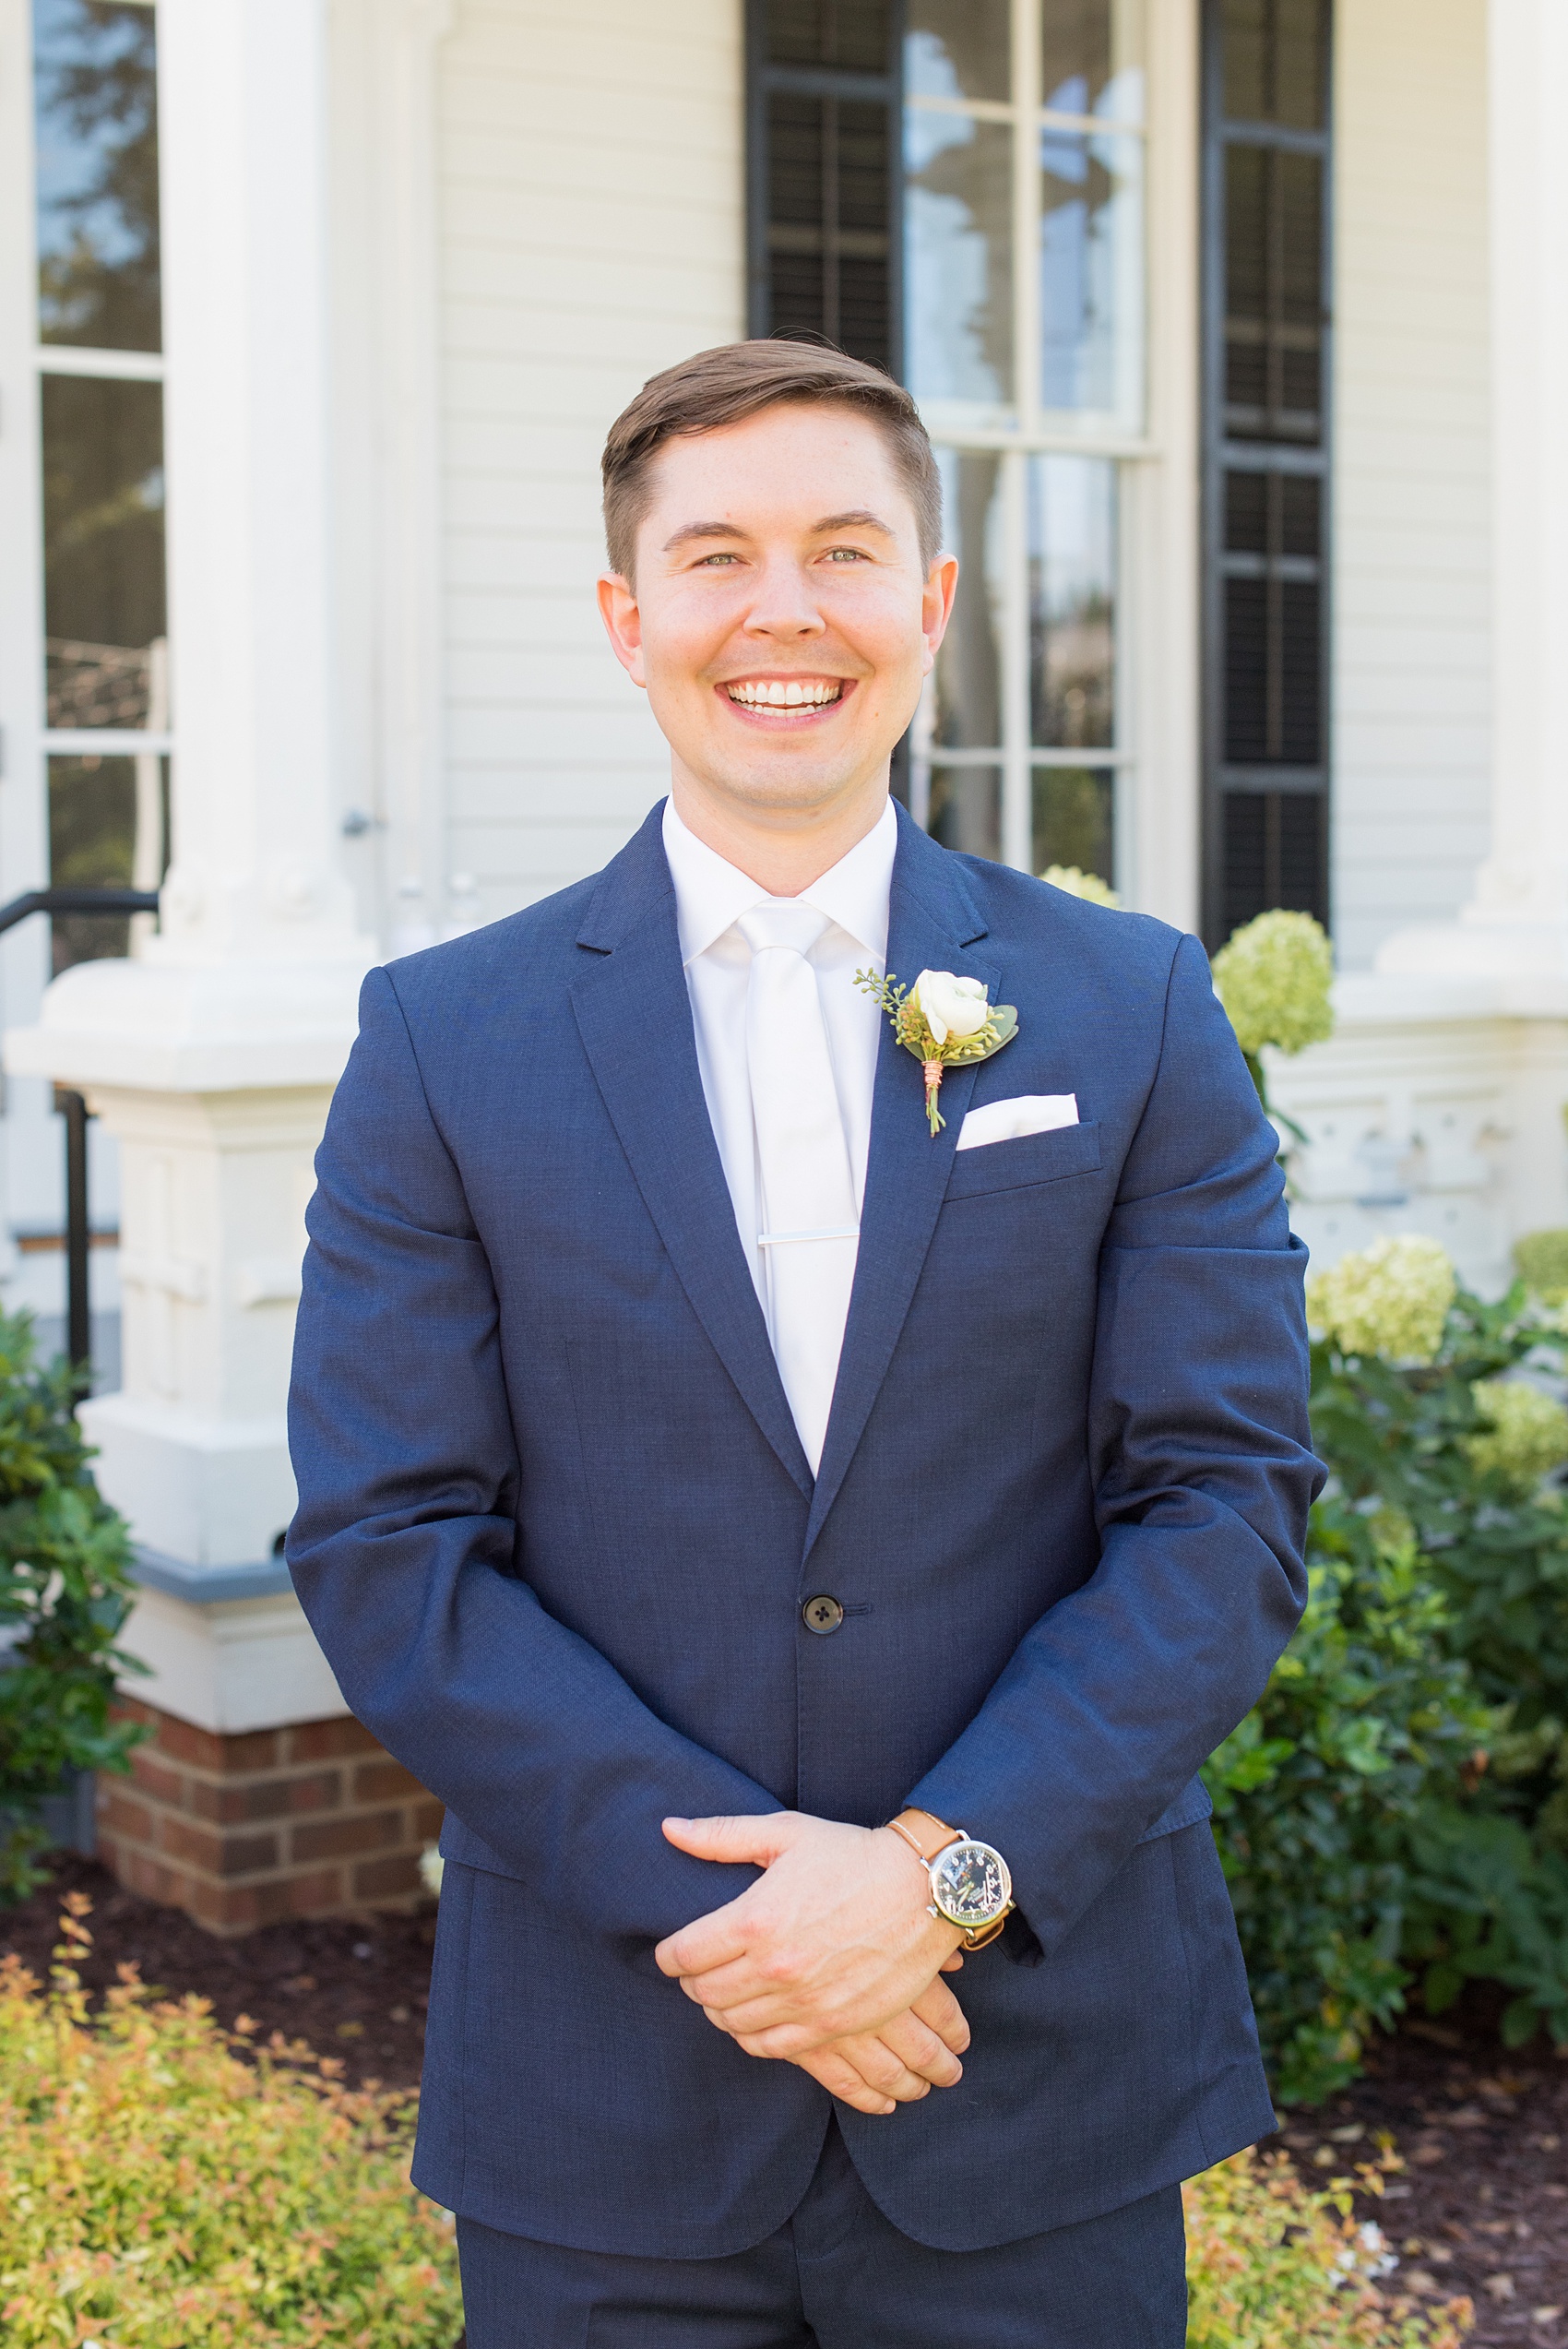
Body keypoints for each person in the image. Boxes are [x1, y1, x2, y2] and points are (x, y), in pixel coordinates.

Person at [286, 339, 1321, 2347]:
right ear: (627, 617)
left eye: (845, 550)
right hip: (610, 2100)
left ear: (932, 602)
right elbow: (388, 1541)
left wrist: (932, 1879)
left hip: (1031, 2085)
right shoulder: (440, 1040)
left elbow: (1223, 1504)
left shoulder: (1132, 1007)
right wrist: (759, 1924)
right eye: (717, 556)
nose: (784, 611)